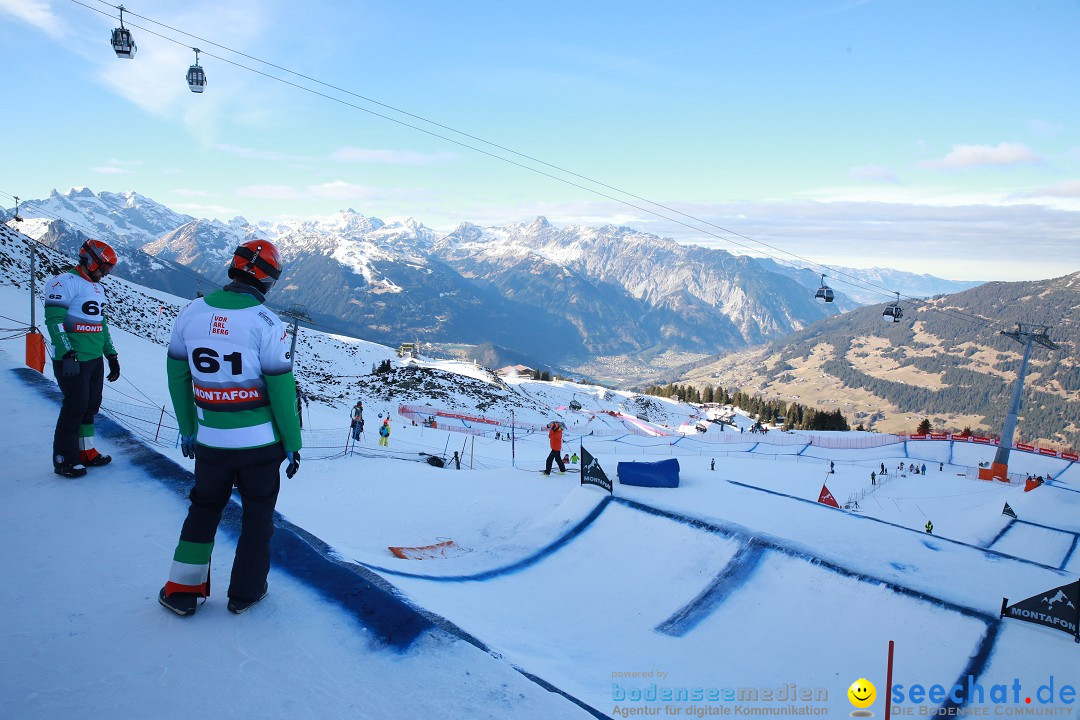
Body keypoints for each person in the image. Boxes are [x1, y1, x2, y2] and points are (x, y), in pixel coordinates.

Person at [158, 240, 301, 617]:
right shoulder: (267, 323)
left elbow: (177, 374)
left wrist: (189, 427)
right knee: (257, 517)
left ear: (232, 269)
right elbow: (282, 389)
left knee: (204, 509)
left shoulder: (190, 313)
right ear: (268, 281)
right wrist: (292, 442)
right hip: (260, 444)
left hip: (210, 439)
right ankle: (246, 593)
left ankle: (181, 591)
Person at [45, 239, 121, 477]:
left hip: (93, 359)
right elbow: (55, 320)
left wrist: (111, 354)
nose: (106, 273)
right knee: (74, 408)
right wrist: (67, 352)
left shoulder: (98, 288)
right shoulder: (63, 282)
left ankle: (86, 452)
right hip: (73, 359)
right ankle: (64, 458)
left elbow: (101, 324)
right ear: (90, 261)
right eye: (105, 268)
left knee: (89, 407)